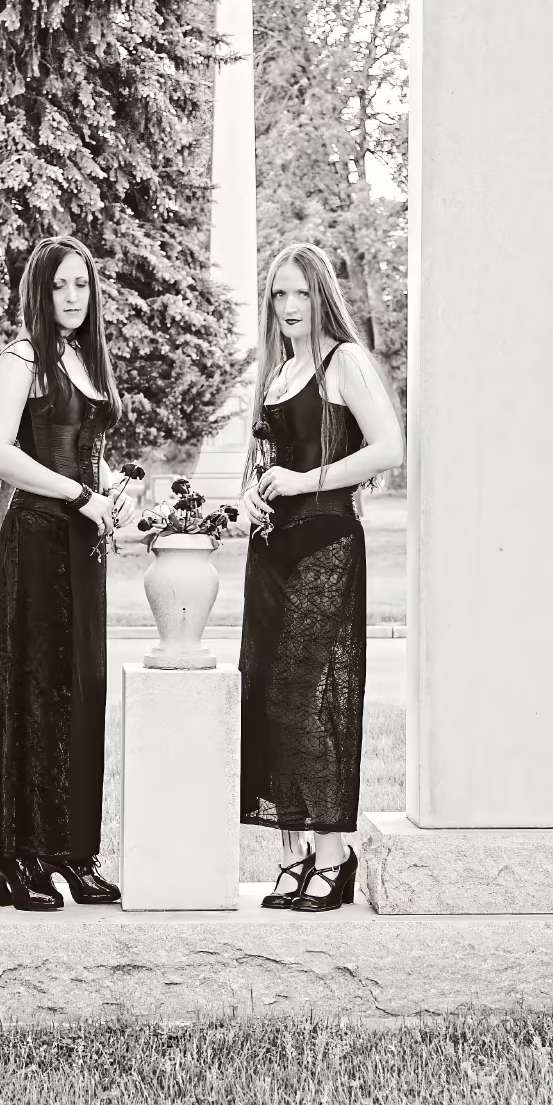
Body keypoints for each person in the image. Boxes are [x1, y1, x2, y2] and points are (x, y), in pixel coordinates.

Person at [239, 242, 405, 912]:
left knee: (312, 700)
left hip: (326, 544)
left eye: (301, 293)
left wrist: (304, 480)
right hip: (271, 552)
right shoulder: (279, 373)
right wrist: (252, 494)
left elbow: (388, 448)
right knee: (270, 699)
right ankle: (293, 853)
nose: (289, 306)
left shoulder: (345, 362)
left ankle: (334, 855)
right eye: (279, 294)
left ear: (322, 296)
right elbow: (268, 462)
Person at [0, 236, 137, 911]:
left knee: (83, 689)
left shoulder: (84, 357)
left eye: (81, 284)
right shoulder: (22, 359)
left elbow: (82, 452)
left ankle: (73, 852)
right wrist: (78, 495)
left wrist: (113, 488)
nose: (73, 297)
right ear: (38, 293)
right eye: (59, 285)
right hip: (39, 539)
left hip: (82, 541)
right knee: (36, 689)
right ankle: (18, 856)